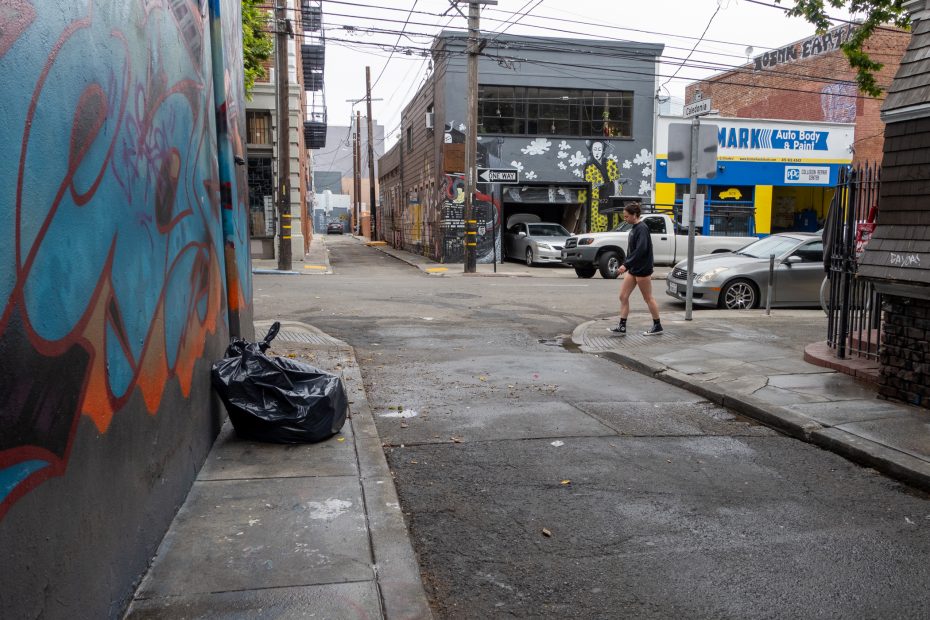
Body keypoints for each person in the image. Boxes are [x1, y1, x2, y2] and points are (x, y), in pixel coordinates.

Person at [608, 203, 663, 336]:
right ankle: (622, 326)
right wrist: (627, 263)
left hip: (643, 268)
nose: (625, 219)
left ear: (634, 215)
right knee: (623, 296)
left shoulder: (642, 228)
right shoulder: (634, 228)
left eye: (627, 216)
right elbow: (632, 250)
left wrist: (626, 265)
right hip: (633, 268)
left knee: (648, 298)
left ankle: (658, 325)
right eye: (624, 216)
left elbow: (641, 250)